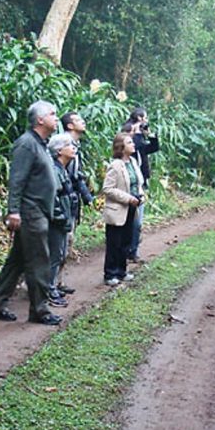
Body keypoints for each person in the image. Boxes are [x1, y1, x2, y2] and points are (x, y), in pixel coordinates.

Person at [0, 101, 62, 326]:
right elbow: (17, 180)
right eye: (52, 114)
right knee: (39, 260)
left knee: (17, 259)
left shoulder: (41, 144)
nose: (56, 118)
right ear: (40, 119)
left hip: (39, 211)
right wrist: (14, 211)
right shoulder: (27, 144)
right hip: (31, 212)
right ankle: (40, 310)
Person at [58, 111, 94, 295]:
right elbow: (70, 177)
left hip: (71, 199)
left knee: (66, 243)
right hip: (63, 200)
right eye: (78, 120)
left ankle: (58, 282)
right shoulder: (63, 145)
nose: (83, 122)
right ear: (70, 125)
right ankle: (50, 284)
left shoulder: (75, 146)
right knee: (61, 243)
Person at [102, 133, 144, 286]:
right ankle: (110, 273)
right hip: (118, 209)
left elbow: (137, 183)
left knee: (127, 240)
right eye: (129, 142)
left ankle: (122, 271)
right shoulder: (115, 165)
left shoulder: (133, 162)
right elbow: (107, 189)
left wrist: (140, 195)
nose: (133, 144)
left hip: (132, 207)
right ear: (121, 146)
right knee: (114, 242)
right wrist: (128, 198)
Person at [122, 107, 159, 263]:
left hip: (140, 183)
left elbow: (153, 148)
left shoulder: (139, 139)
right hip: (127, 184)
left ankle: (133, 251)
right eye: (144, 118)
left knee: (138, 222)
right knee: (131, 221)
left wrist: (150, 135)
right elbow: (134, 146)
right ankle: (127, 250)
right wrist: (136, 133)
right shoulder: (128, 136)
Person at [46, 133, 77, 306]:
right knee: (54, 255)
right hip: (56, 222)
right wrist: (61, 218)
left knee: (60, 254)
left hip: (63, 220)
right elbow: (53, 198)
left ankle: (53, 286)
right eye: (69, 145)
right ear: (59, 151)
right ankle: (49, 290)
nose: (73, 148)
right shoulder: (54, 170)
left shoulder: (62, 169)